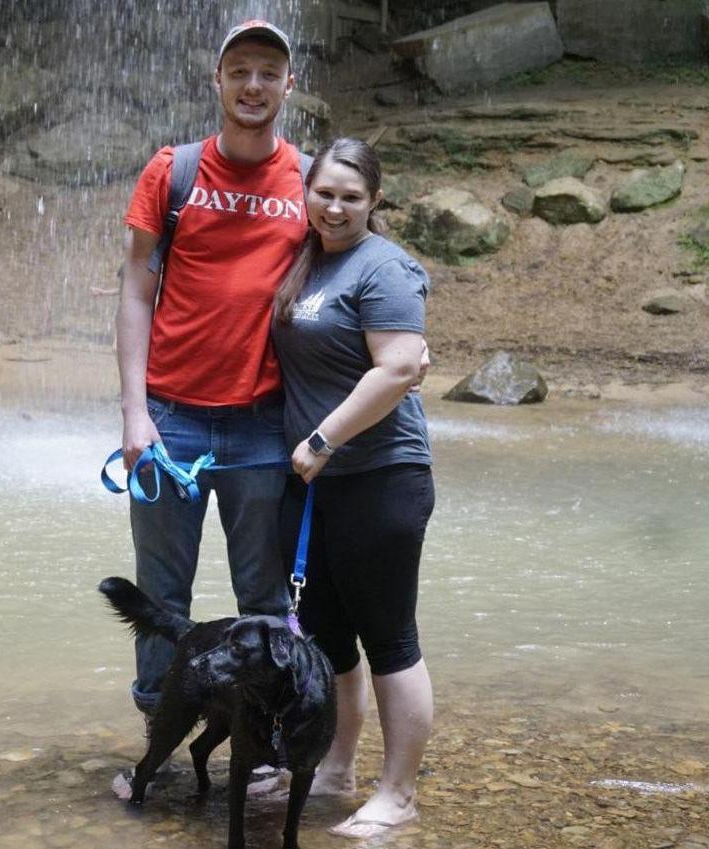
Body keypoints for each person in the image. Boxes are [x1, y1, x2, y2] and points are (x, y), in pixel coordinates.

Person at [116, 21, 306, 723]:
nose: (253, 85)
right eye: (240, 71)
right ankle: (160, 735)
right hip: (171, 419)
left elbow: (351, 277)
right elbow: (136, 290)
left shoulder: (311, 179)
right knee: (161, 596)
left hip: (264, 422)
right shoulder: (174, 171)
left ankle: (264, 736)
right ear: (217, 81)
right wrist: (135, 412)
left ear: (289, 85)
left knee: (265, 598)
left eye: (268, 73)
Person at [271, 138, 436, 839]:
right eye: (324, 193)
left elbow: (397, 366)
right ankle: (336, 768)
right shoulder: (307, 259)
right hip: (315, 484)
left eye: (351, 197)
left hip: (381, 476)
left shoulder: (384, 267)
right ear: (306, 192)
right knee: (328, 637)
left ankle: (398, 793)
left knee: (389, 638)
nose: (334, 208)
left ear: (374, 201)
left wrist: (322, 440)